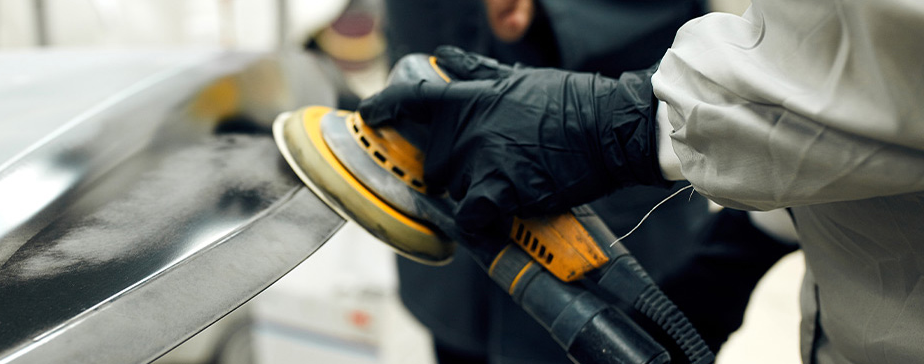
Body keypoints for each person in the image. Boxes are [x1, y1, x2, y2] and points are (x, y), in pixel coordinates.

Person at [360, 0, 924, 362]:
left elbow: (886, 58)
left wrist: (621, 120)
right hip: (445, 204)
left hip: (624, 155)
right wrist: (762, 233)